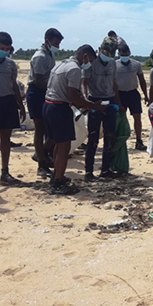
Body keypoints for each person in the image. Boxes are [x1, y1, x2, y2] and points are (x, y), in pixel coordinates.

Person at [44, 45, 106, 194]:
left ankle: (56, 176)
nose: (88, 64)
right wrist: (92, 105)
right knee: (64, 147)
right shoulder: (74, 69)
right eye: (89, 60)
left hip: (48, 105)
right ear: (85, 56)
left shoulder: (61, 65)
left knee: (59, 145)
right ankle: (58, 183)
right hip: (59, 108)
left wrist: (83, 105)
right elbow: (72, 95)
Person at [81, 40, 124, 180]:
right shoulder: (91, 64)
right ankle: (88, 171)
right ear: (100, 50)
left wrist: (119, 102)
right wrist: (86, 101)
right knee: (93, 138)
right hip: (95, 101)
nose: (108, 56)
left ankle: (105, 170)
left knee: (109, 137)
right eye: (105, 53)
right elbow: (84, 83)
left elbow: (113, 83)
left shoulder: (113, 63)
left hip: (110, 102)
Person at [27, 29, 64, 177]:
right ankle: (41, 164)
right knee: (40, 129)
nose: (58, 46)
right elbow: (40, 80)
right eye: (56, 43)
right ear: (47, 40)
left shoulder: (50, 54)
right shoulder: (40, 57)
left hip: (47, 92)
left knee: (51, 129)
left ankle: (42, 153)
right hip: (37, 93)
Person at [0, 32, 26, 186]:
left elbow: (14, 85)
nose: (4, 51)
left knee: (6, 136)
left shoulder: (10, 64)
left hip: (8, 101)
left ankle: (5, 171)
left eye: (7, 49)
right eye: (1, 48)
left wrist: (20, 105)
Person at [115, 44, 149, 150]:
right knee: (120, 118)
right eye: (122, 54)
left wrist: (146, 95)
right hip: (120, 94)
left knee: (137, 118)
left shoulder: (136, 64)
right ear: (118, 54)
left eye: (126, 54)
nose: (124, 55)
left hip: (133, 93)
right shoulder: (114, 65)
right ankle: (120, 141)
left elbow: (142, 80)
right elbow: (112, 83)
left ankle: (139, 140)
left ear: (129, 53)